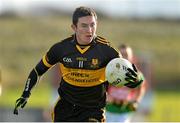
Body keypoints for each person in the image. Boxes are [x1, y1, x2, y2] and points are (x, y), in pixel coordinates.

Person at [13, 6, 143, 122]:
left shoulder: (108, 51)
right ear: (74, 27)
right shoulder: (60, 49)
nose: (90, 30)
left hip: (93, 110)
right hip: (65, 109)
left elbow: (128, 76)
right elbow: (38, 70)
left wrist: (135, 80)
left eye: (93, 25)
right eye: (84, 25)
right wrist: (26, 93)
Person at [106, 44, 146, 122]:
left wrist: (136, 101)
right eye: (122, 54)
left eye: (126, 54)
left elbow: (141, 88)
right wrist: (107, 97)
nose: (124, 57)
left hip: (125, 111)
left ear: (131, 57)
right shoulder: (111, 71)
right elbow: (102, 87)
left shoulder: (136, 74)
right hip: (109, 109)